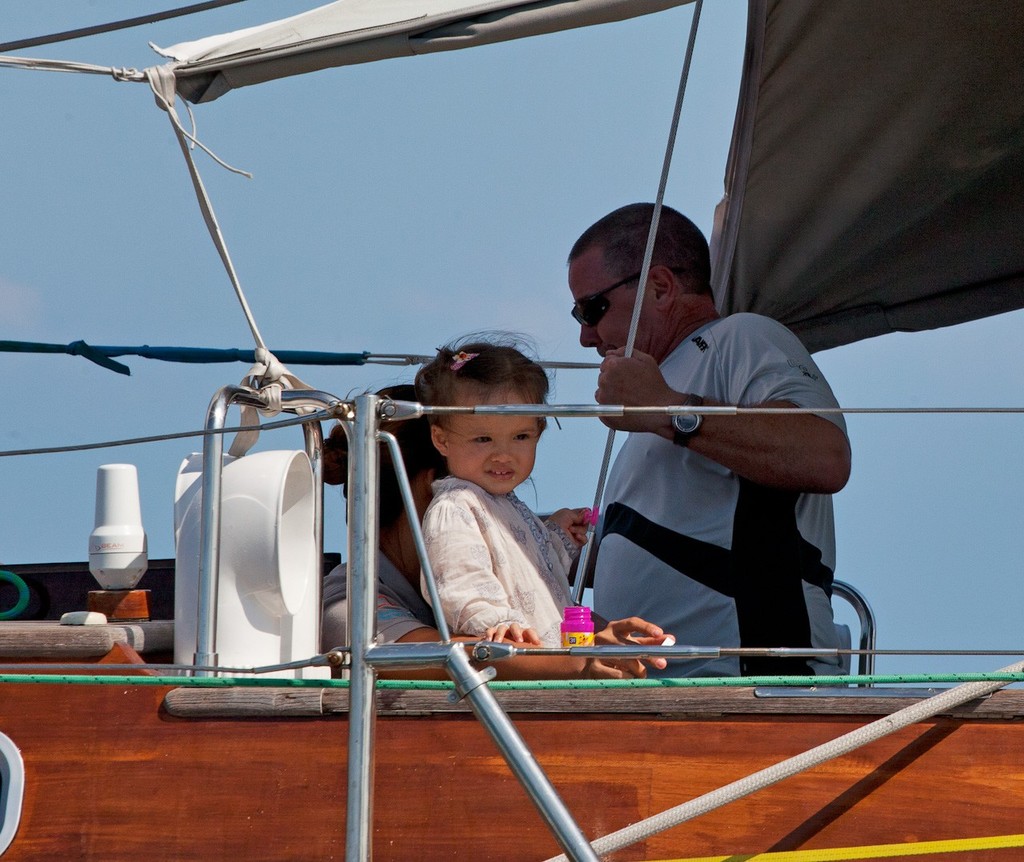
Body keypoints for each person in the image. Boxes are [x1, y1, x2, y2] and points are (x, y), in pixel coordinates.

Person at [566, 203, 852, 677]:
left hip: (750, 686)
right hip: (659, 693)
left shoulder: (740, 337)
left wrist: (667, 411)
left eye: (591, 309)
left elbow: (826, 457)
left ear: (660, 287)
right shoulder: (661, 392)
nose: (584, 335)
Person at [321, 383, 670, 679]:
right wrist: (582, 660)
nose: (501, 522)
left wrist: (614, 645)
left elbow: (580, 637)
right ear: (432, 488)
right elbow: (447, 658)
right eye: (486, 502)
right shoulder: (348, 603)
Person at [414, 340, 589, 647]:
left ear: (539, 432)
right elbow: (457, 580)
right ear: (441, 440)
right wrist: (495, 621)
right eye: (483, 439)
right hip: (509, 667)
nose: (503, 454)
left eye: (520, 436)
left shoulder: (506, 506)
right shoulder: (455, 506)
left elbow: (532, 577)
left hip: (548, 662)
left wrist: (558, 537)